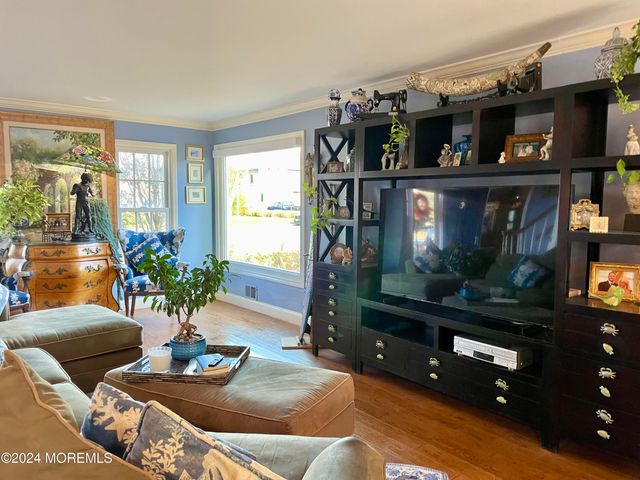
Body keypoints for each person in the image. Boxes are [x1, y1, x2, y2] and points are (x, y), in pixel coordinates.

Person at [70, 172, 95, 237]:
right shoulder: (77, 185)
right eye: (85, 179)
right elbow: (72, 193)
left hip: (86, 202)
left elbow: (92, 194)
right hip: (79, 202)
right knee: (78, 216)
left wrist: (93, 194)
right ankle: (76, 229)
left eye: (87, 180)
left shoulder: (88, 186)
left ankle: (90, 229)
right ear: (82, 178)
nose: (86, 181)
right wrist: (75, 190)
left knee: (88, 215)